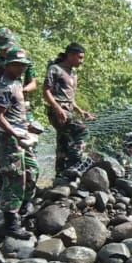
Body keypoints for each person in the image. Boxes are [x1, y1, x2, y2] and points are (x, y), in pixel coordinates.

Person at [0, 51, 37, 240]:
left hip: (23, 135)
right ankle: (11, 223)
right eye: (17, 65)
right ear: (8, 65)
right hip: (9, 139)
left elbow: (20, 110)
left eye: (23, 65)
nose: (21, 68)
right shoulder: (3, 86)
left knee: (32, 171)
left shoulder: (18, 83)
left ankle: (25, 209)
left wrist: (29, 126)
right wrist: (15, 133)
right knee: (15, 177)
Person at [44, 42, 93, 182]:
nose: (81, 61)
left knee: (63, 142)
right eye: (79, 57)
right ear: (70, 55)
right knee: (82, 131)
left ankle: (60, 176)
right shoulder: (55, 69)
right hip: (57, 111)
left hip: (68, 110)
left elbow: (70, 98)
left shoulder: (73, 73)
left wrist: (81, 111)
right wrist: (57, 108)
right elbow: (46, 92)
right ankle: (75, 164)